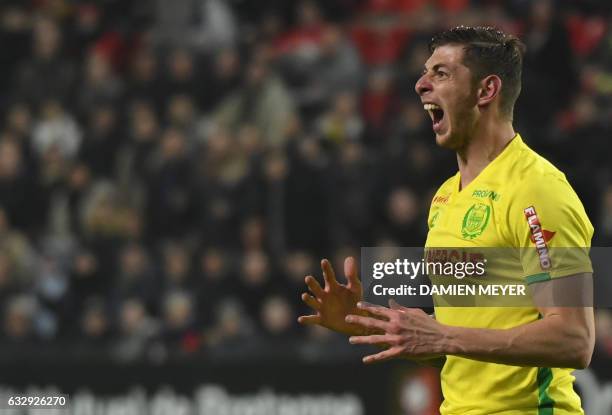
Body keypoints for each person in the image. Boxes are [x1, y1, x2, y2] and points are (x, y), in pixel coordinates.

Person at [298, 26, 595, 414]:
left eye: (441, 73)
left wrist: (444, 336)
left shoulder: (536, 189)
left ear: (486, 91)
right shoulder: (444, 198)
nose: (421, 84)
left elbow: (574, 339)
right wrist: (365, 325)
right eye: (425, 72)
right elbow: (463, 346)